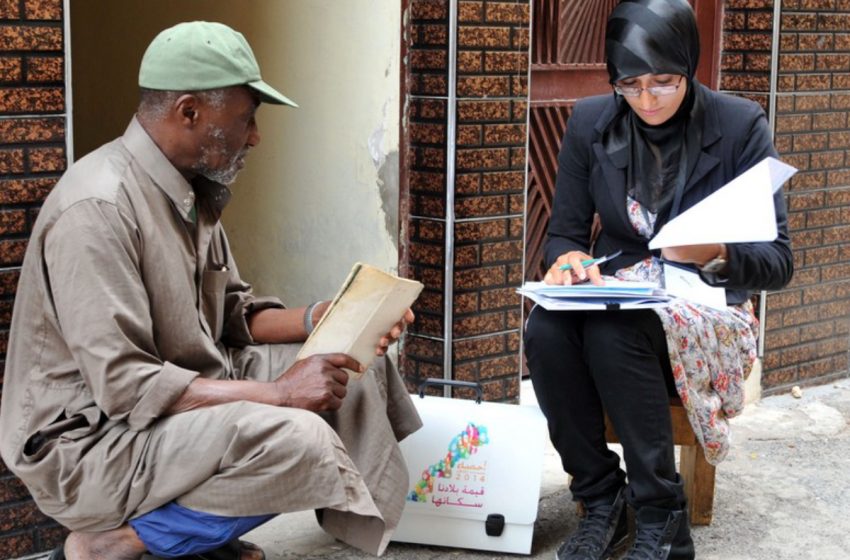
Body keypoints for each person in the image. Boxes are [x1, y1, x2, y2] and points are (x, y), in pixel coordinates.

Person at [0, 21, 422, 560]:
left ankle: (194, 535)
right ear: (189, 111)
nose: (254, 136)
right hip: (89, 448)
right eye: (246, 119)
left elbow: (234, 316)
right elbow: (126, 388)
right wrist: (281, 394)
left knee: (352, 373)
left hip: (175, 408)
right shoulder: (97, 209)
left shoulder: (190, 193)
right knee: (295, 434)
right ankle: (122, 543)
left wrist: (330, 318)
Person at [523, 1, 793, 559]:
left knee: (613, 332)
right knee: (546, 329)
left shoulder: (740, 125)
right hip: (621, 292)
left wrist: (714, 252)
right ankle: (602, 500)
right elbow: (565, 234)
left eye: (664, 83)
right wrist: (569, 260)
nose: (647, 99)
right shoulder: (591, 121)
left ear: (689, 67)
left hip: (710, 306)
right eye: (631, 85)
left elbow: (778, 262)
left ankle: (662, 513)